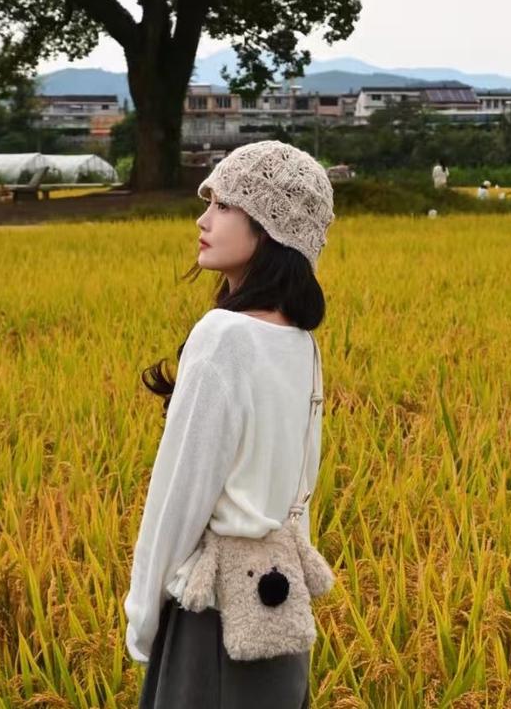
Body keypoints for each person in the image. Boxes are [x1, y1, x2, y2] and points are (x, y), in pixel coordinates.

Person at [125, 140, 335, 709]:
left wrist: (143, 619)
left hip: (210, 622)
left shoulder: (223, 336)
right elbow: (300, 494)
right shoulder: (302, 343)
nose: (203, 218)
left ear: (269, 226)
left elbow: (178, 496)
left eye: (223, 204)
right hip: (280, 613)